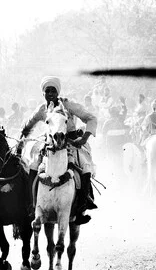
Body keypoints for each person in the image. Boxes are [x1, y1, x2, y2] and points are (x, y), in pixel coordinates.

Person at [20, 77, 98, 225]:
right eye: (47, 91)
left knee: (85, 165)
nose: (50, 93)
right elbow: (28, 125)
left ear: (58, 92)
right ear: (43, 93)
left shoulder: (68, 104)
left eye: (53, 90)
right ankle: (30, 204)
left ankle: (83, 204)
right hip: (49, 144)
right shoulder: (42, 109)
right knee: (33, 165)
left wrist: (83, 139)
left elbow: (91, 118)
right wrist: (21, 137)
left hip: (71, 143)